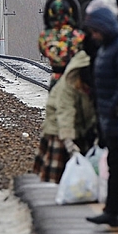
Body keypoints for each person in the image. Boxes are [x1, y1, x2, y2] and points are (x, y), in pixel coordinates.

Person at [82, 6, 118, 226]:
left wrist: (114, 105)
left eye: (95, 31)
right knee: (116, 164)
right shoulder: (107, 46)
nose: (93, 36)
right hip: (109, 115)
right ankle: (115, 210)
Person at [34, 50, 96, 183]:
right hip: (57, 123)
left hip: (81, 124)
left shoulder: (94, 82)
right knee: (56, 168)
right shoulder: (68, 85)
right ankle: (53, 189)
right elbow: (65, 113)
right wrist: (68, 139)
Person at [39, 0, 85, 87]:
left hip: (56, 79)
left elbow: (43, 51)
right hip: (75, 79)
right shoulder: (78, 35)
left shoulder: (46, 35)